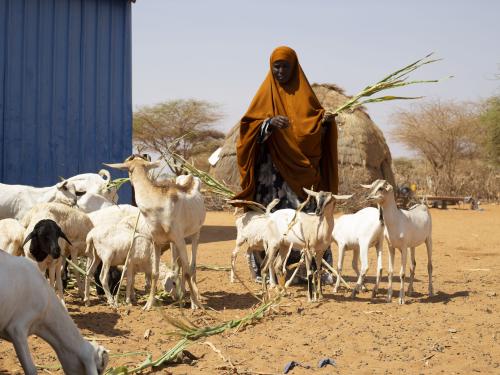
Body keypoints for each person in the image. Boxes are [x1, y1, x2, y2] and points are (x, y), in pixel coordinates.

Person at [234, 46, 338, 282]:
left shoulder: (307, 98)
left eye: (285, 67)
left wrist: (325, 125)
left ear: (294, 68)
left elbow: (311, 132)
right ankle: (265, 270)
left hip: (300, 175)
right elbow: (246, 131)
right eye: (276, 67)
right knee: (269, 220)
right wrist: (268, 124)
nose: (280, 71)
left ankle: (308, 270)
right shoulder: (264, 96)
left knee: (303, 217)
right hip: (268, 176)